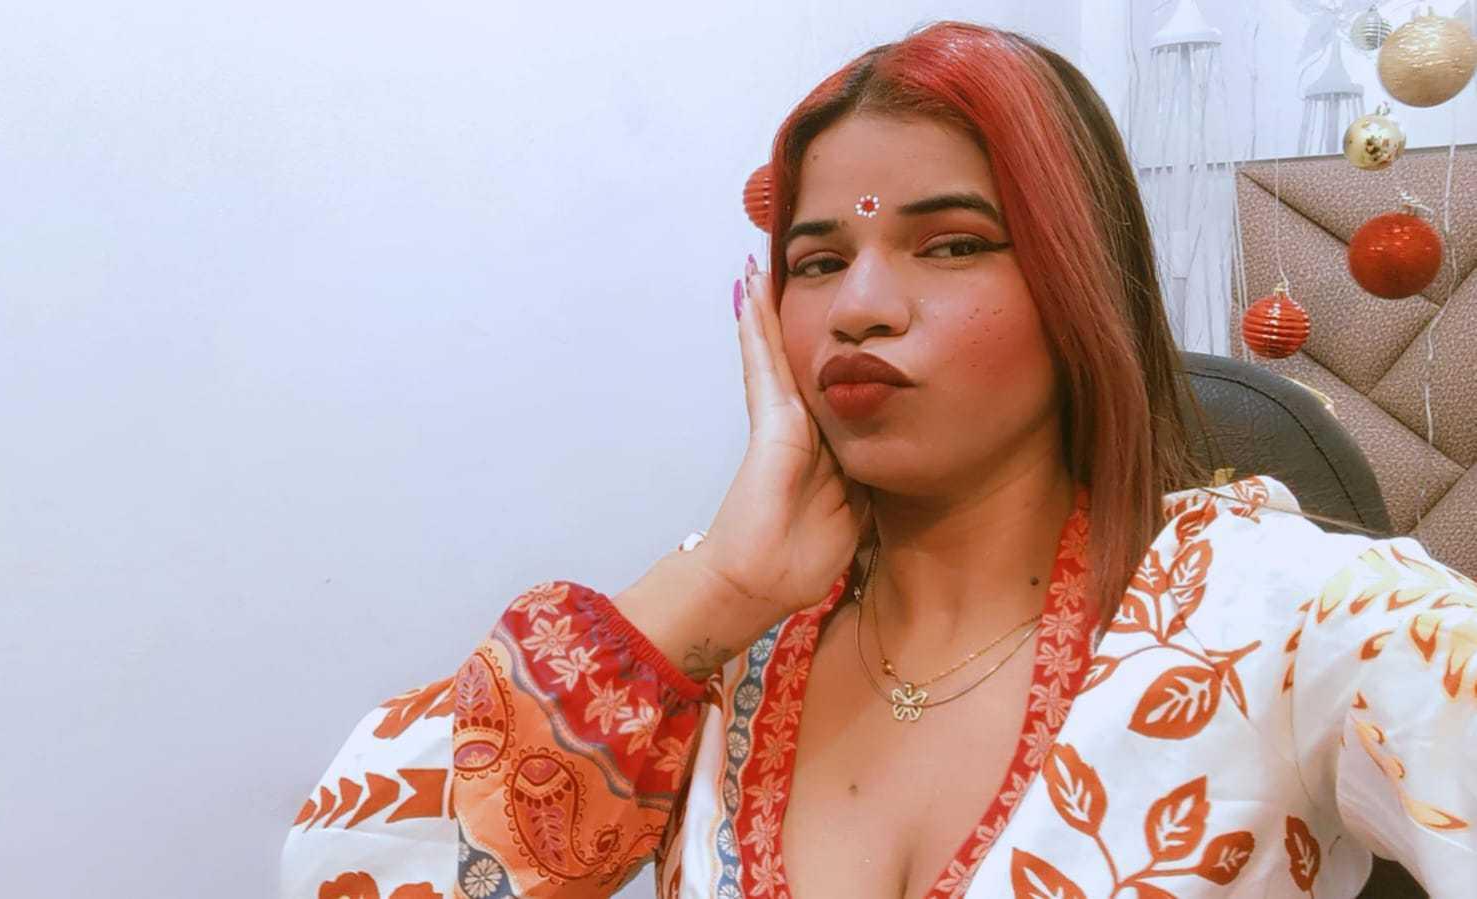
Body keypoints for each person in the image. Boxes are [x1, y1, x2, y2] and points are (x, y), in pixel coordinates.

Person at [279, 21, 1475, 899]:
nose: (859, 306)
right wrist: (715, 589)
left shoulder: (1269, 612)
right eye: (814, 262)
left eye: (951, 245)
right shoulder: (724, 650)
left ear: (1080, 284)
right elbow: (344, 869)